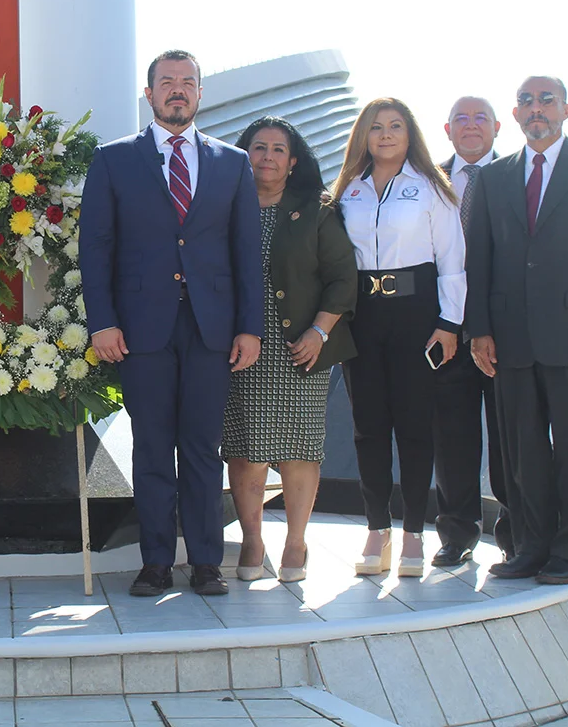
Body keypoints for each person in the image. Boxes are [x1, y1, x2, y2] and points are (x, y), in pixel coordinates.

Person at [80, 50, 264, 597]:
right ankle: (156, 560)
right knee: (154, 446)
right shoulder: (113, 160)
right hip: (141, 329)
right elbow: (97, 249)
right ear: (149, 92)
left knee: (203, 447)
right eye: (167, 83)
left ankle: (206, 561)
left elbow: (246, 253)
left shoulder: (232, 163)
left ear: (200, 93)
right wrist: (103, 322)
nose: (177, 91)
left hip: (213, 329)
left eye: (187, 83)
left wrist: (249, 327)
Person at [466, 76, 568, 585]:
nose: (536, 109)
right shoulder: (492, 180)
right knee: (521, 453)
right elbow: (480, 260)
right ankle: (531, 547)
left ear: (566, 109)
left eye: (546, 100)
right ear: (514, 115)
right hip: (509, 338)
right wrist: (480, 329)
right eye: (526, 101)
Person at [332, 97, 464, 578]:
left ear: (410, 135)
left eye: (395, 126)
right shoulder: (347, 191)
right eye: (375, 127)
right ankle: (376, 530)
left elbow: (452, 262)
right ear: (362, 136)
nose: (385, 135)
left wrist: (449, 324)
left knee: (413, 426)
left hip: (416, 314)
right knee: (368, 427)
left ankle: (412, 533)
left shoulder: (432, 189)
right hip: (362, 316)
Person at [222, 117, 357, 583]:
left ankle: (296, 542)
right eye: (258, 148)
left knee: (300, 447)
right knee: (244, 447)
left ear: (293, 160)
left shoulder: (316, 210)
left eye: (278, 150)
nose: (267, 157)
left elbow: (343, 278)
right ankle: (253, 542)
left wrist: (319, 332)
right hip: (240, 345)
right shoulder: (224, 206)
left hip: (302, 346)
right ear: (244, 155)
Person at [431, 96, 513, 567]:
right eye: (461, 118)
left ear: (498, 127)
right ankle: (457, 534)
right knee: (453, 439)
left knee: (510, 439)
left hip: (504, 333)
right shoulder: (427, 181)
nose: (471, 125)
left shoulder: (519, 177)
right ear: (447, 129)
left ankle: (516, 536)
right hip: (446, 331)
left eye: (481, 117)